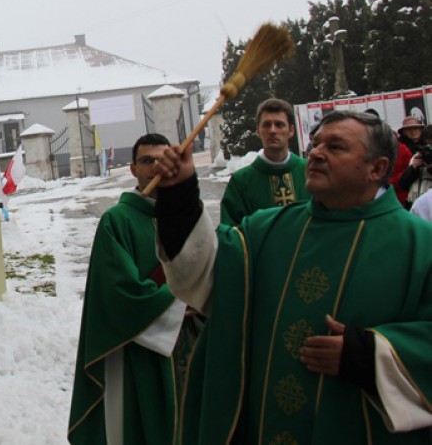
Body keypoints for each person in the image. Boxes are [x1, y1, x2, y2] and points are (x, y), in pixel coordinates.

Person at [152, 110, 432, 444]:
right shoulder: (266, 229)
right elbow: (205, 278)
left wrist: (369, 354)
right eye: (315, 144)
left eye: (336, 146)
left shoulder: (419, 244)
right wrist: (180, 196)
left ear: (378, 168)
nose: (315, 152)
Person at [69, 133, 189, 445]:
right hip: (136, 349)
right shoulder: (116, 221)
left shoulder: (189, 216)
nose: (156, 167)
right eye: (147, 161)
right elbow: (119, 291)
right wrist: (177, 303)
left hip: (190, 343)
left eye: (163, 159)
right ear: (133, 169)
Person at [220, 98, 309, 226]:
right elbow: (231, 233)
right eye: (267, 125)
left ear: (291, 131)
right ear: (258, 131)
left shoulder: (309, 172)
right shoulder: (241, 182)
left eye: (279, 124)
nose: (273, 130)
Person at [396, 124, 432, 208]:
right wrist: (413, 168)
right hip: (416, 202)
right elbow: (403, 184)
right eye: (427, 144)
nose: (429, 148)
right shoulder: (418, 156)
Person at [390, 116, 424, 207]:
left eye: (416, 128)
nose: (413, 131)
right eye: (409, 129)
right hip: (406, 195)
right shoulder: (400, 149)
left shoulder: (427, 145)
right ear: (404, 132)